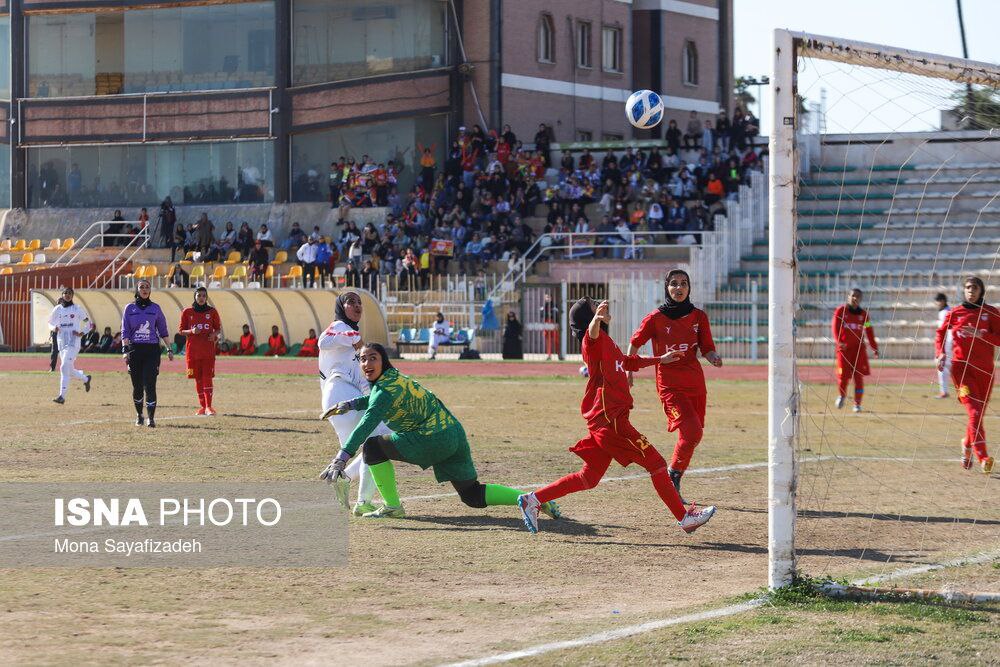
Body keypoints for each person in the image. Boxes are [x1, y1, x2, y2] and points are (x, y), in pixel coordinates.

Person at [516, 298, 716, 535]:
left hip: (607, 420)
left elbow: (627, 361)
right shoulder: (591, 341)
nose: (601, 306)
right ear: (588, 318)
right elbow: (590, 335)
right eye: (594, 307)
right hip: (611, 420)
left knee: (588, 477)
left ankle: (533, 499)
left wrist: (659, 360)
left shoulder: (607, 341)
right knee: (657, 464)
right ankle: (684, 517)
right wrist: (596, 320)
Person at [320, 343, 556, 521]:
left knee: (372, 446)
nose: (366, 363)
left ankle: (393, 506)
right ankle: (529, 499)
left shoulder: (384, 390)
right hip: (453, 434)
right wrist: (349, 405)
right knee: (472, 495)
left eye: (373, 358)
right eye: (362, 359)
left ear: (384, 361)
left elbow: (368, 421)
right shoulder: (393, 379)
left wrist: (341, 457)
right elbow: (374, 400)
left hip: (431, 438)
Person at [627, 269, 722, 504]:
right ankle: (673, 475)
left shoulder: (699, 316)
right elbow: (634, 344)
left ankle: (674, 475)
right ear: (667, 288)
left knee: (693, 435)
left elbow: (707, 347)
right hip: (670, 386)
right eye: (673, 284)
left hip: (696, 384)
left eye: (683, 284)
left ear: (689, 288)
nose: (678, 288)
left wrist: (713, 357)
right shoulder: (655, 318)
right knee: (692, 432)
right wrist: (629, 371)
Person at [315, 292, 391, 515]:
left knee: (378, 445)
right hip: (338, 392)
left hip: (347, 396)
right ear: (341, 307)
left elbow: (361, 379)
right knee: (378, 443)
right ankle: (360, 499)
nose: (357, 305)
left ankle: (344, 478)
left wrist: (375, 396)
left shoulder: (354, 338)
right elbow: (323, 341)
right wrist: (354, 338)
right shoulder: (339, 326)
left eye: (359, 302)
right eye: (351, 302)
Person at [935, 276, 999, 473]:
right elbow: (940, 334)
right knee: (974, 412)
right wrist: (940, 353)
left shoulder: (992, 313)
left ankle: (966, 444)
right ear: (963, 290)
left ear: (981, 291)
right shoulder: (955, 313)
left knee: (977, 416)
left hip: (985, 372)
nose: (971, 291)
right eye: (968, 287)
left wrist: (981, 334)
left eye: (975, 287)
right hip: (961, 370)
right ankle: (984, 457)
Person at [121, 279, 174, 427]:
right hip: (134, 350)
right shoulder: (129, 308)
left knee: (150, 385)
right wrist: (125, 350)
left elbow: (163, 330)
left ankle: (151, 418)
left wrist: (169, 348)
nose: (144, 289)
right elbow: (125, 330)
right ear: (137, 290)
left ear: (150, 291)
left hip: (152, 351)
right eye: (141, 287)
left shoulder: (156, 308)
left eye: (147, 287)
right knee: (137, 387)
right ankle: (139, 415)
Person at [831, 288, 879, 413]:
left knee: (859, 378)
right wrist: (838, 342)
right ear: (848, 297)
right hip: (844, 350)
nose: (855, 298)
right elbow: (835, 327)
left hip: (859, 351)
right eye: (853, 296)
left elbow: (868, 330)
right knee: (843, 376)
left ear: (861, 298)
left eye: (858, 296)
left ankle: (857, 404)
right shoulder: (840, 311)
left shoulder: (864, 315)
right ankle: (842, 395)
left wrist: (874, 347)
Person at [179, 286, 222, 415]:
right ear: (195, 297)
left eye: (204, 296)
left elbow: (218, 329)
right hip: (192, 352)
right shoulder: (187, 312)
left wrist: (214, 334)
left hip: (208, 351)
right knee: (197, 378)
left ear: (206, 297)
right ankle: (203, 406)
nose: (201, 298)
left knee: (207, 377)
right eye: (199, 295)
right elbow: (181, 331)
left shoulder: (212, 312)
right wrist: (191, 331)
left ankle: (209, 407)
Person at [48, 287, 93, 403]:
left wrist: (82, 332)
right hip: (61, 342)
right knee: (68, 368)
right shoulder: (57, 309)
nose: (67, 295)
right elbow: (50, 323)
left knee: (63, 367)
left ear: (72, 296)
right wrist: (54, 328)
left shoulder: (77, 309)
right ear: (62, 295)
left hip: (74, 342)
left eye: (70, 293)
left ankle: (61, 396)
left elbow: (89, 323)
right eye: (65, 293)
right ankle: (85, 378)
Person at [934, 292, 953, 399]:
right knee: (949, 367)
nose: (936, 304)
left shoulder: (945, 312)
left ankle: (944, 392)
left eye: (937, 301)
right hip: (951, 342)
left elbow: (943, 331)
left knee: (941, 366)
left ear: (942, 301)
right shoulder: (947, 311)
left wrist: (941, 348)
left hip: (947, 343)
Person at [540, 292, 560, 360]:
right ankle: (549, 355)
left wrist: (557, 323)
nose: (547, 298)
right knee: (548, 341)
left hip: (554, 323)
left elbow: (558, 315)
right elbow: (542, 315)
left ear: (551, 298)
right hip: (546, 323)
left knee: (556, 340)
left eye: (548, 297)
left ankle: (559, 354)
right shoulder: (543, 306)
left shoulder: (555, 306)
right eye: (546, 297)